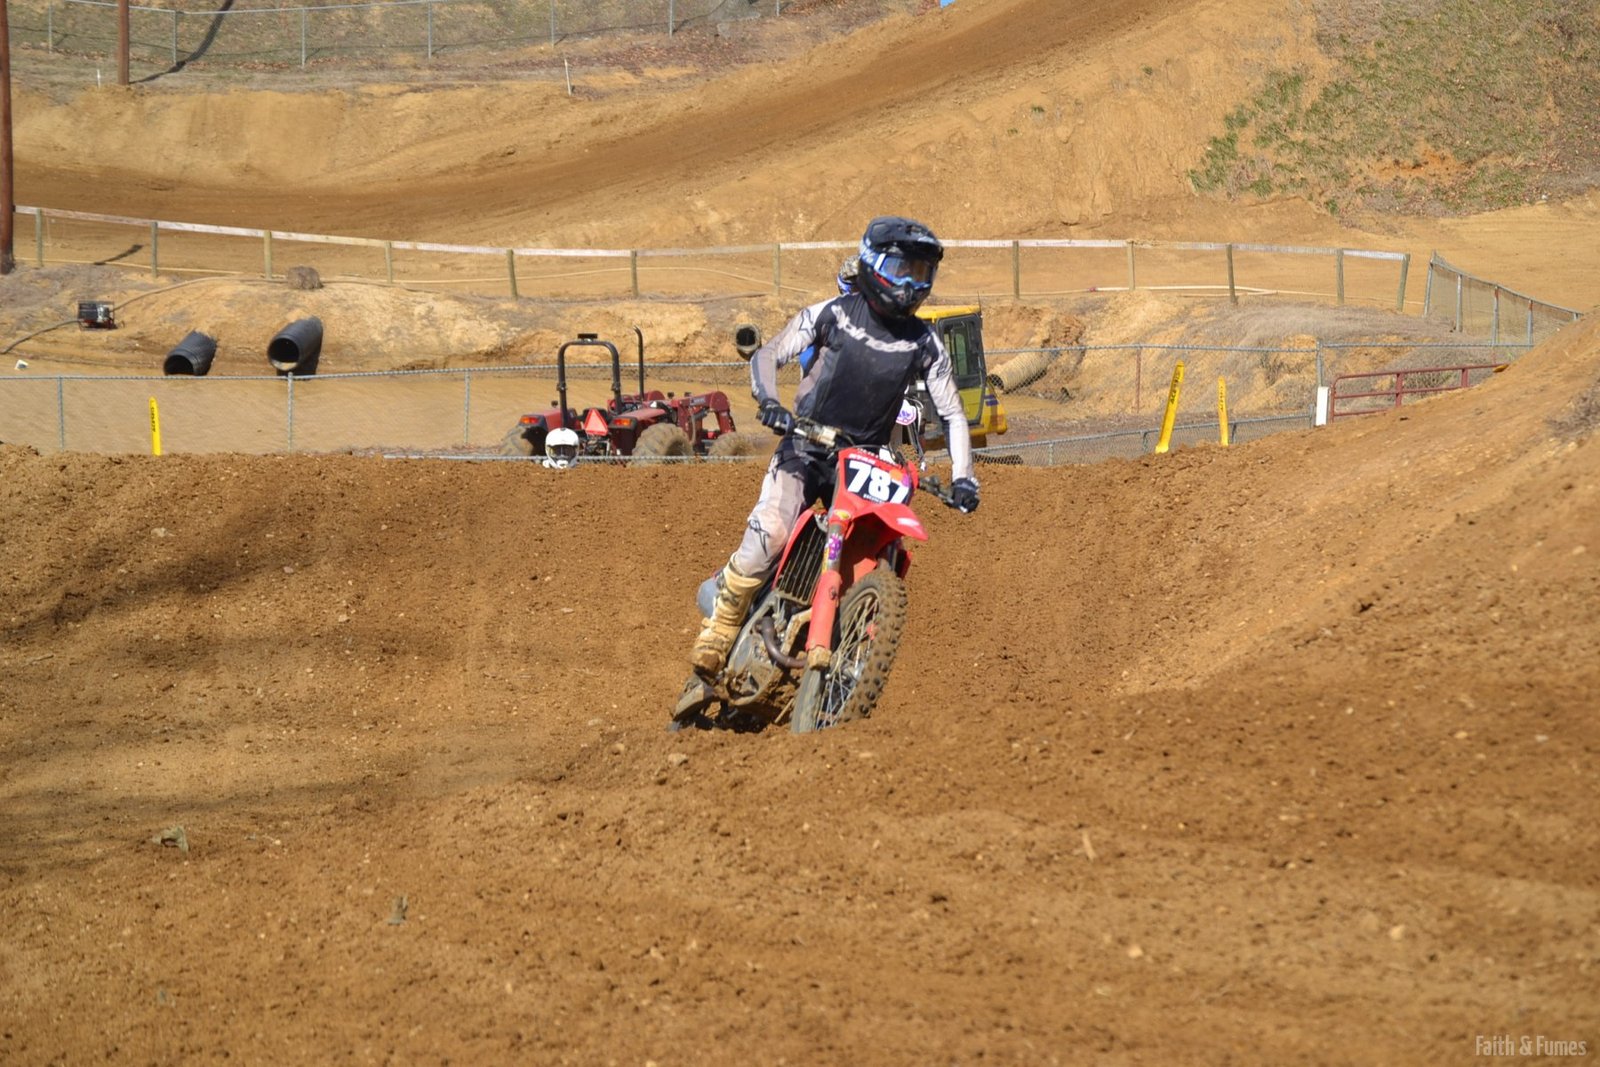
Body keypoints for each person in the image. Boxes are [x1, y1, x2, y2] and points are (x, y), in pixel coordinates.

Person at [688, 215, 980, 677]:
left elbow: (952, 414)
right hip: (807, 445)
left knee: (878, 548)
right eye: (902, 269)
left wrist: (964, 477)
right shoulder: (833, 313)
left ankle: (852, 645)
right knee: (773, 531)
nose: (911, 283)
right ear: (873, 264)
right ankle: (720, 629)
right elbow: (770, 353)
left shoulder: (926, 343)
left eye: (922, 273)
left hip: (865, 459)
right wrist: (770, 402)